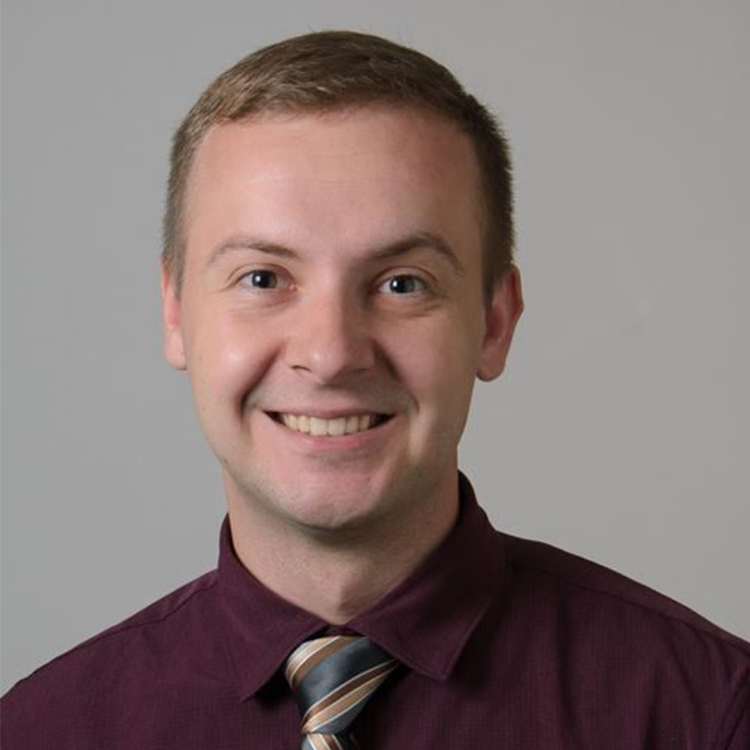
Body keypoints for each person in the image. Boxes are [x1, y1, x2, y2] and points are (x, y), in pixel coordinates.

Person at [2, 30, 748, 749]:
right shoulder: (40, 731)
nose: (330, 355)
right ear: (175, 314)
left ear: (493, 322)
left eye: (401, 283)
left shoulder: (707, 714)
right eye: (262, 278)